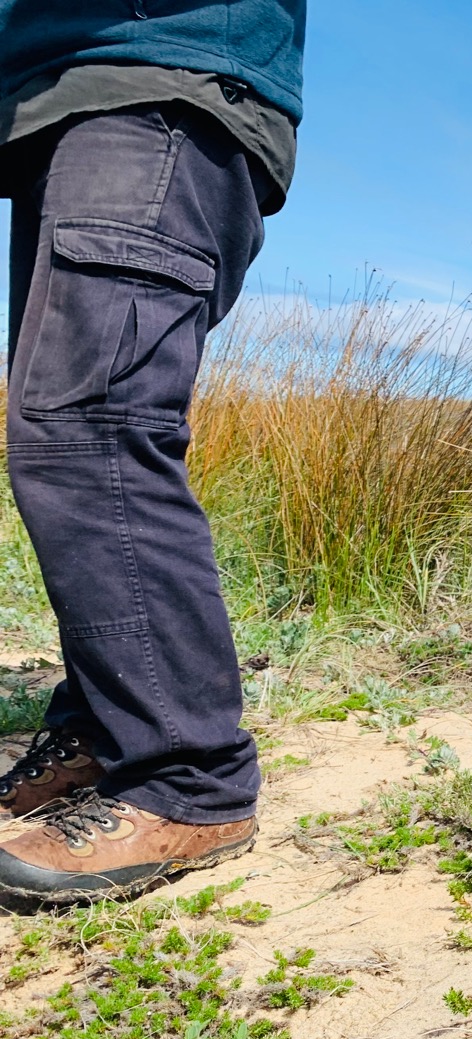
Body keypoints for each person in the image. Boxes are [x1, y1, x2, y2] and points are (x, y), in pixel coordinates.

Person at [0, 1, 305, 901]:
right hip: (71, 94)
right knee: (57, 426)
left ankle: (190, 781)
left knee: (93, 431)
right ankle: (105, 727)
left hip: (162, 85)